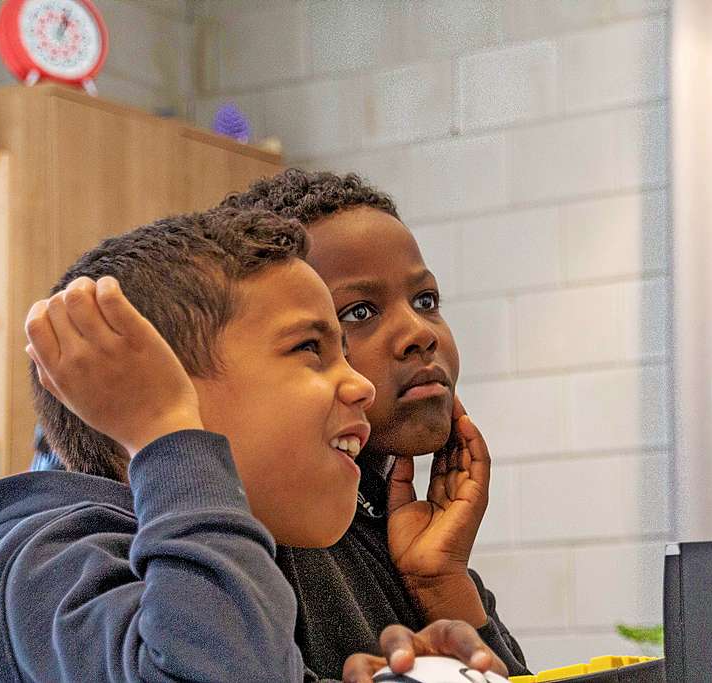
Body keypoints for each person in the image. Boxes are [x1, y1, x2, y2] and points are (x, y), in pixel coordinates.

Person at [0, 207, 508, 682]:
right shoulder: (46, 566)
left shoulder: (223, 571)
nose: (358, 385)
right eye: (311, 348)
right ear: (157, 385)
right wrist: (167, 430)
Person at [220, 171, 529, 679]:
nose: (418, 332)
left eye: (426, 301)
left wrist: (440, 584)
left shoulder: (397, 522)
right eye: (359, 312)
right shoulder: (264, 535)